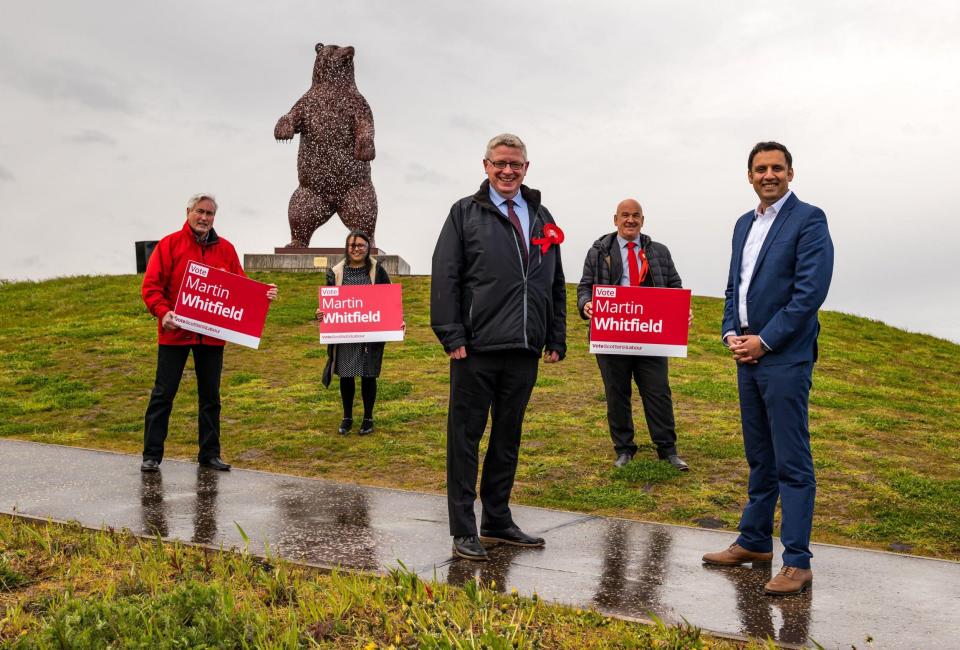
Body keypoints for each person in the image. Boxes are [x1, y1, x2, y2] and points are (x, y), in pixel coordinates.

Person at [702, 142, 834, 596]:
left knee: (792, 463)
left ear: (791, 173)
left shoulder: (809, 220)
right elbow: (733, 287)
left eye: (777, 168)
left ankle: (797, 560)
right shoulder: (744, 224)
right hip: (748, 356)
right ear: (750, 176)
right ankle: (755, 541)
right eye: (761, 169)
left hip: (784, 358)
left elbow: (809, 294)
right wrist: (730, 333)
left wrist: (766, 340)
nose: (769, 175)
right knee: (760, 456)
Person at [431, 133, 566, 561]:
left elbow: (554, 280)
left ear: (527, 169)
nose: (508, 171)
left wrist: (556, 335)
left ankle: (497, 519)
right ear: (486, 166)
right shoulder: (465, 213)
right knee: (465, 438)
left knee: (508, 437)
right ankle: (463, 528)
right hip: (476, 347)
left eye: (516, 165)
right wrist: (452, 335)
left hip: (525, 348)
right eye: (500, 164)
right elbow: (446, 275)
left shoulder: (541, 216)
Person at [140, 193, 278, 472]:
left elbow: (239, 286)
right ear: (188, 212)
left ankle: (209, 454)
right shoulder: (169, 245)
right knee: (163, 394)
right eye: (200, 212)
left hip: (212, 336)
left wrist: (263, 294)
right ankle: (151, 455)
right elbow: (151, 286)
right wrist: (162, 311)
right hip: (175, 333)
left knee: (211, 397)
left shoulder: (225, 248)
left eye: (210, 214)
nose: (204, 218)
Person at [577, 198, 690, 471]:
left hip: (651, 335)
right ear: (615, 220)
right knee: (617, 393)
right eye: (624, 215)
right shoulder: (598, 251)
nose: (630, 220)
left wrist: (681, 311)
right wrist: (586, 304)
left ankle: (668, 450)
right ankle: (624, 449)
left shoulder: (659, 251)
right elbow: (584, 287)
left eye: (635, 215)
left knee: (658, 391)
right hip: (612, 335)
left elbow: (674, 286)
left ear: (643, 220)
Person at [316, 230, 392, 435]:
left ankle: (368, 418)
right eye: (353, 245)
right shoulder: (336, 272)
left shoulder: (378, 271)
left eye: (361, 245)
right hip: (346, 333)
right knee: (346, 375)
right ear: (347, 248)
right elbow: (329, 302)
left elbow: (389, 301)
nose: (356, 249)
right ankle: (347, 417)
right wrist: (322, 313)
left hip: (371, 332)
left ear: (367, 248)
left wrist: (396, 322)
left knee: (369, 375)